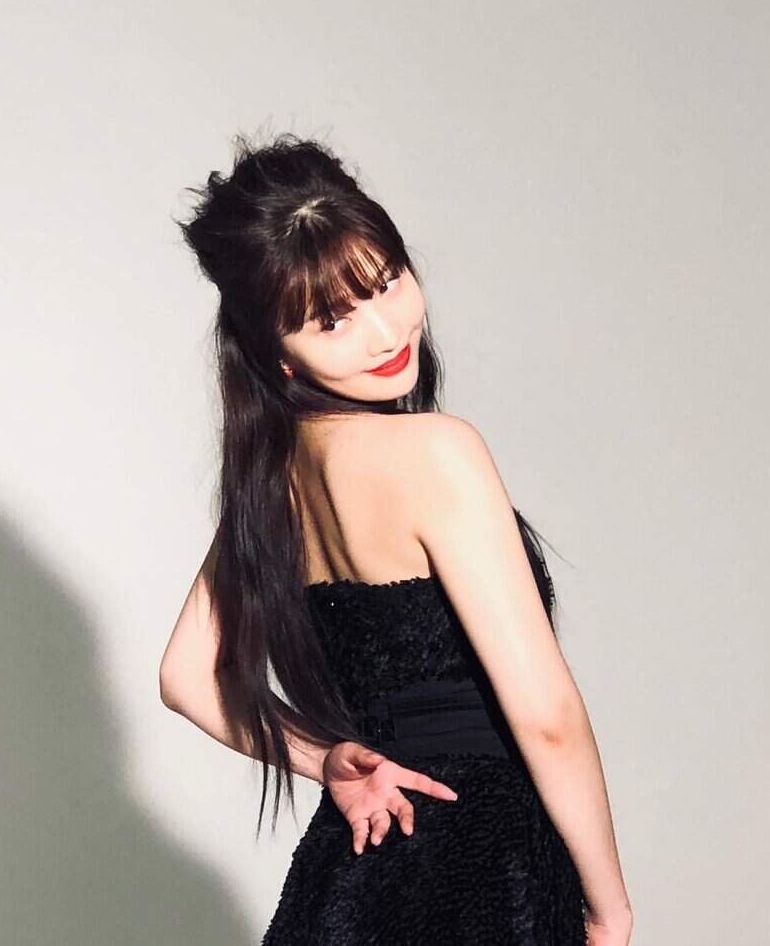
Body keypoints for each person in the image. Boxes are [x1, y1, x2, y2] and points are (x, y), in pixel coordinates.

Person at [159, 131, 633, 945]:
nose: (384, 332)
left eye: (386, 282)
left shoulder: (269, 482)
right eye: (332, 321)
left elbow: (184, 677)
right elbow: (546, 716)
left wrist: (327, 759)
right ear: (276, 354)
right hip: (484, 868)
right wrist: (608, 905)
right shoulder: (437, 451)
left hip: (349, 875)